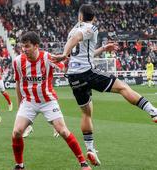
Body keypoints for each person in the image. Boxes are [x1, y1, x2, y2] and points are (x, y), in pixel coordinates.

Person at [52, 4, 157, 166]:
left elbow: (84, 51)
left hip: (73, 76)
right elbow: (77, 39)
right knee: (123, 87)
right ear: (92, 18)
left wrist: (102, 48)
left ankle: (90, 148)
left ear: (80, 16)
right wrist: (64, 54)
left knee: (86, 112)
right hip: (87, 72)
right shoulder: (91, 27)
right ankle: (153, 112)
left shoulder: (72, 29)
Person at [12, 31, 91, 170]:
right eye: (22, 46)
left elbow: (65, 68)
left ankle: (83, 163)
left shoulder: (48, 58)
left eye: (27, 46)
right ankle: (19, 165)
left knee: (63, 131)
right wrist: (19, 106)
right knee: (17, 132)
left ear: (36, 46)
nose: (24, 49)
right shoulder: (18, 61)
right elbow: (18, 84)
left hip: (48, 101)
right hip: (29, 102)